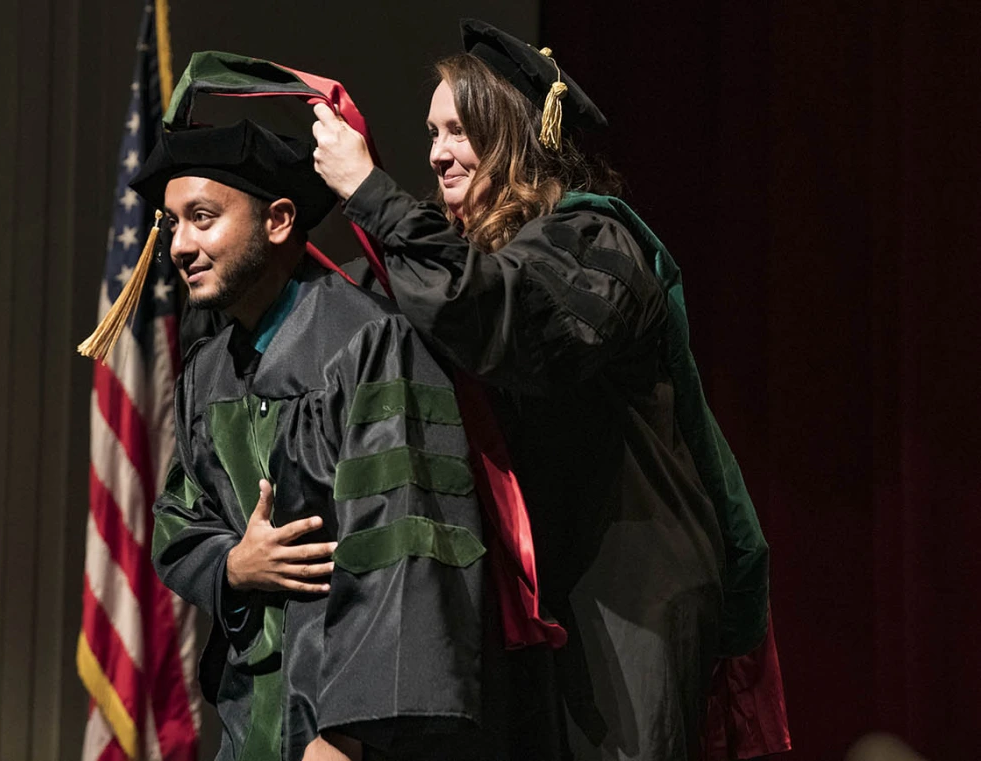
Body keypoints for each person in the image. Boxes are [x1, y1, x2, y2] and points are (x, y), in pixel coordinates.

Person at [312, 18, 775, 761]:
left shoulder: (599, 245)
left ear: (517, 136)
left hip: (628, 592)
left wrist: (370, 191)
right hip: (532, 605)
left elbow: (499, 317)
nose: (436, 153)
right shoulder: (466, 256)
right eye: (431, 133)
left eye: (459, 130)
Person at [135, 119, 490, 761]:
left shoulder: (367, 341)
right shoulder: (207, 371)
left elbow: (402, 539)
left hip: (351, 721)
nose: (180, 246)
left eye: (203, 218)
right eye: (173, 222)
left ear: (277, 220)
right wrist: (230, 566)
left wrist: (345, 732)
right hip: (252, 709)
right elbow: (178, 519)